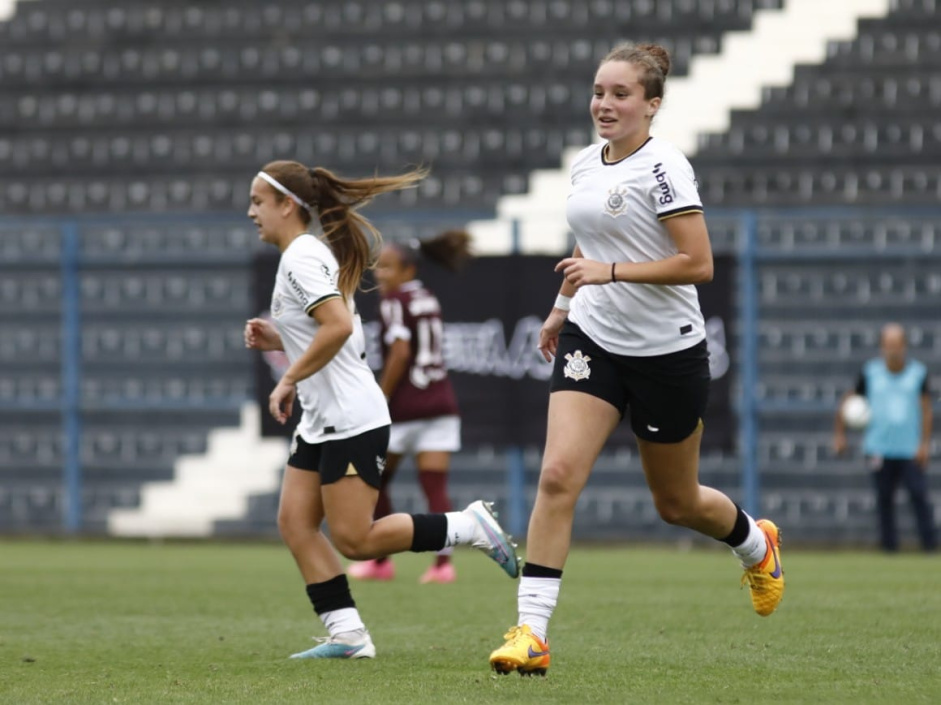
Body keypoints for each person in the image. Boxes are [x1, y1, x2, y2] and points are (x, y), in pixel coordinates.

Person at [488, 43, 784, 677]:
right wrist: (563, 305)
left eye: (621, 94)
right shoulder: (584, 165)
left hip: (667, 351)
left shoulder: (666, 168)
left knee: (676, 503)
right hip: (593, 338)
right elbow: (590, 243)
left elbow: (697, 263)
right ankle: (530, 634)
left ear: (652, 104)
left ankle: (758, 545)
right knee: (558, 475)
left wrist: (610, 272)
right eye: (598, 92)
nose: (604, 104)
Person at [243, 160, 519, 660]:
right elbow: (338, 329)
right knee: (294, 523)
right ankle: (347, 636)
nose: (251, 212)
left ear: (287, 205)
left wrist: (287, 376)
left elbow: (339, 329)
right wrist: (279, 337)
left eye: (258, 201)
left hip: (349, 417)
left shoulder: (303, 256)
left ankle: (467, 527)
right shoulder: (305, 255)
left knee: (356, 539)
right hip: (321, 420)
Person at [349, 230, 472, 585]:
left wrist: (380, 396)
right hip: (440, 402)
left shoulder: (393, 301)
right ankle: (442, 566)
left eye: (387, 267)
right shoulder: (426, 297)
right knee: (434, 486)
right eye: (378, 267)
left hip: (405, 407)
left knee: (374, 479)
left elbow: (401, 351)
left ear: (407, 269)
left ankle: (380, 560)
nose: (380, 274)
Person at [833, 323, 936, 552]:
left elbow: (926, 410)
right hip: (879, 448)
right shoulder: (870, 373)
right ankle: (889, 548)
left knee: (919, 495)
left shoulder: (917, 374)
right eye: (888, 345)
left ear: (905, 346)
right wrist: (840, 435)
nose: (893, 350)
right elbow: (847, 402)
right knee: (884, 500)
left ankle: (930, 546)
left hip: (909, 448)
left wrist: (924, 445)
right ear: (882, 346)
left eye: (897, 344)